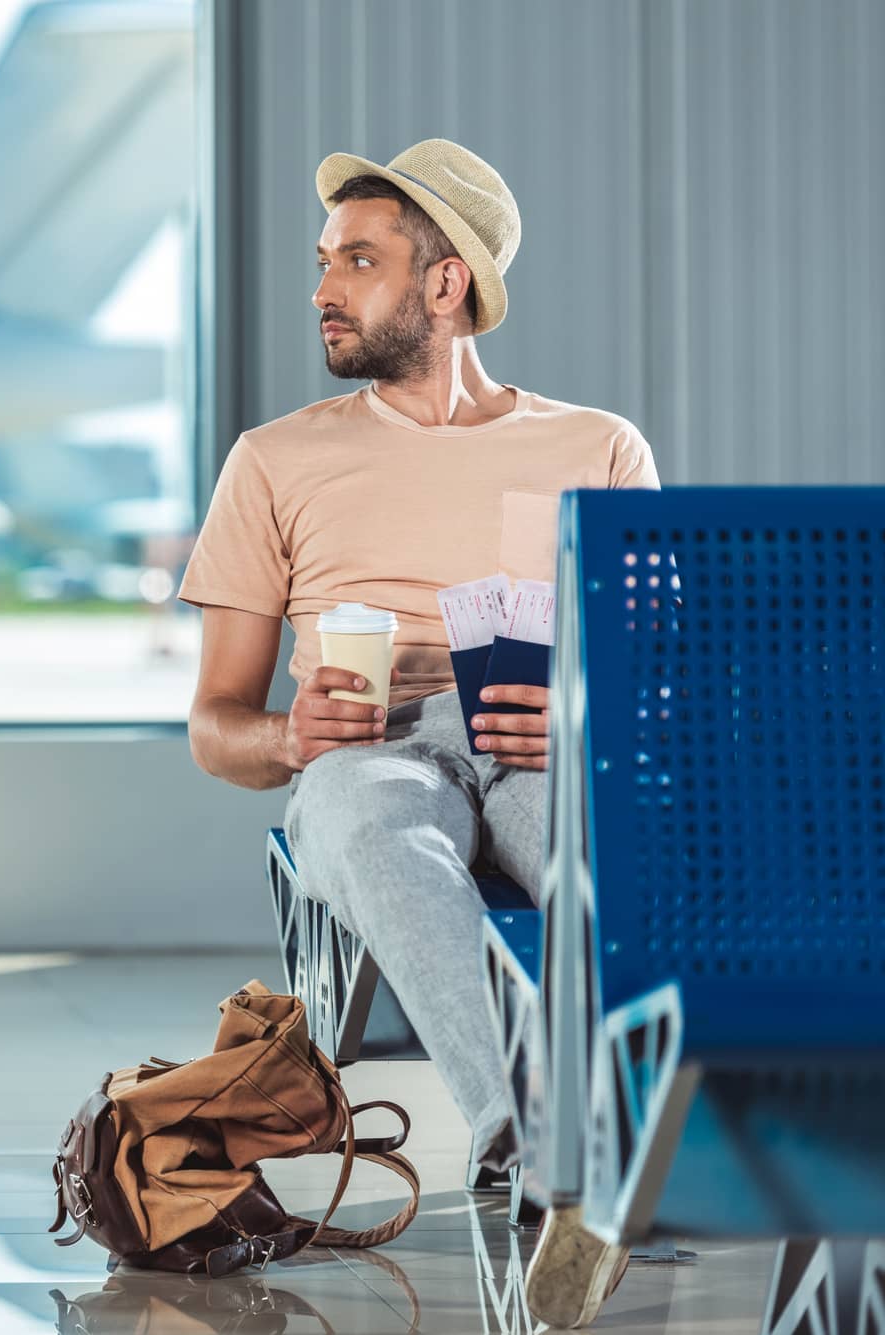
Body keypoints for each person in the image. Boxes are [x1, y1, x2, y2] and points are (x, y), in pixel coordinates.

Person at [179, 139, 659, 1330]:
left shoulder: (596, 447)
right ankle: (539, 1155)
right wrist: (293, 737)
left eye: (357, 259)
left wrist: (591, 713)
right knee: (376, 826)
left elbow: (661, 688)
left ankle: (671, 1134)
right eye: (322, 260)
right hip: (368, 748)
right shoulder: (274, 459)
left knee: (600, 850)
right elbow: (214, 729)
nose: (321, 288)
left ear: (444, 285)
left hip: (540, 740)